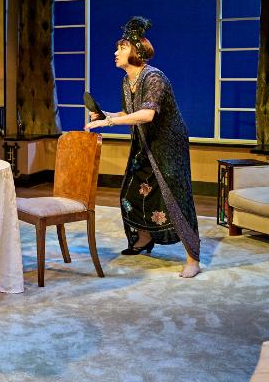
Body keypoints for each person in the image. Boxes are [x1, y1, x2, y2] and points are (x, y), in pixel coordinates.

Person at [85, 17, 201, 278]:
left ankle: (193, 258)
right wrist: (105, 115)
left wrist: (109, 122)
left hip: (167, 144)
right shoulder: (127, 81)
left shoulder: (154, 77)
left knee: (174, 198)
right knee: (131, 191)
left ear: (136, 51)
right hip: (144, 141)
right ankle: (144, 238)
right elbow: (129, 113)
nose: (115, 52)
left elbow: (147, 115)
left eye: (121, 47)